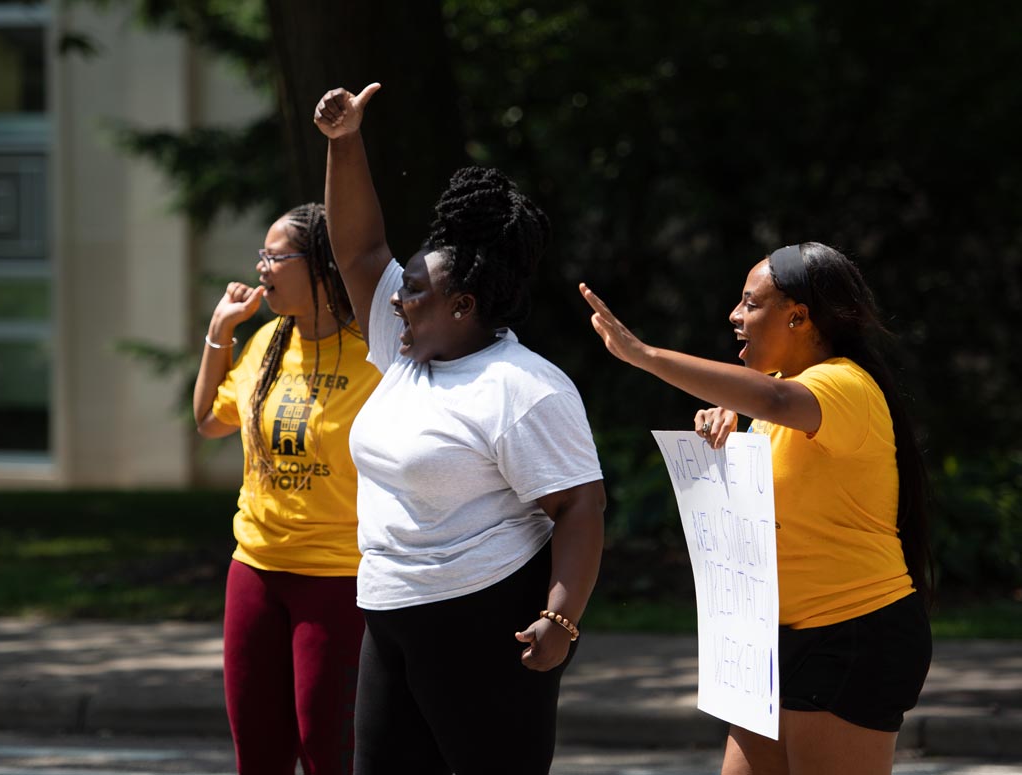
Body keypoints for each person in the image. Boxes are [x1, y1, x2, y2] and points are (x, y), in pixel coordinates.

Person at [313, 82, 606, 775]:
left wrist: (559, 619)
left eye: (414, 290)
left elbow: (580, 505)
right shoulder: (406, 351)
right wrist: (344, 143)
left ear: (463, 305)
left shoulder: (522, 387)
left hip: (485, 617)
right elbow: (359, 252)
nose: (396, 298)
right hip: (389, 613)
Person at [580, 242, 932, 775]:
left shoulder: (842, 383)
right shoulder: (782, 389)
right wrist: (729, 419)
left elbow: (773, 401)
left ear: (798, 317)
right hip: (771, 639)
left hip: (851, 633)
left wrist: (645, 356)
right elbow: (771, 412)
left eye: (750, 302)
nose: (734, 315)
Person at [192, 203, 381, 775]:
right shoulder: (266, 343)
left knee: (327, 750)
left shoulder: (376, 352)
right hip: (255, 568)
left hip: (338, 576)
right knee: (258, 751)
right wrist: (220, 332)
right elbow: (209, 420)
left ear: (321, 265)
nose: (261, 268)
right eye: (262, 256)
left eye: (275, 257)